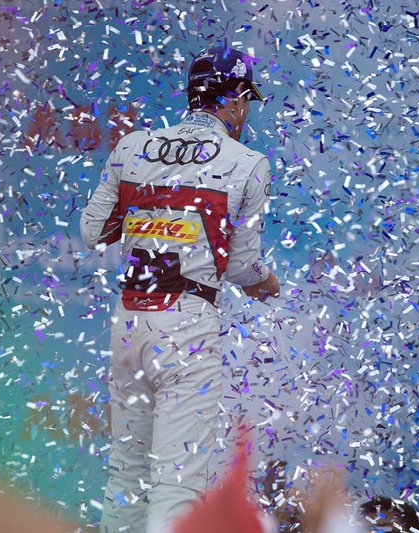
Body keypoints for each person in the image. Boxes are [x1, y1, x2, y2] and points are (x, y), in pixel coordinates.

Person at [80, 45, 280, 532]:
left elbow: (93, 231)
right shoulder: (248, 162)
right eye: (246, 100)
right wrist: (266, 284)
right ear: (232, 100)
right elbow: (240, 267)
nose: (247, 110)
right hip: (187, 327)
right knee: (176, 484)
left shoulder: (132, 147)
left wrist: (154, 215)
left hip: (129, 322)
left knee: (125, 478)